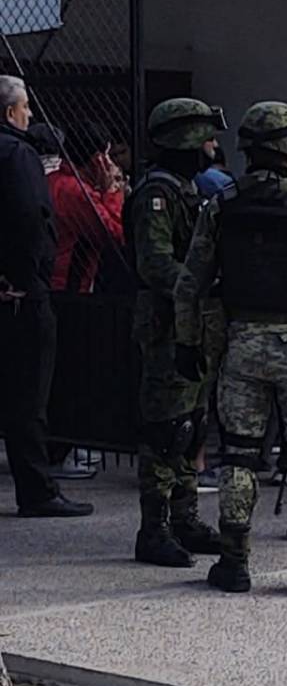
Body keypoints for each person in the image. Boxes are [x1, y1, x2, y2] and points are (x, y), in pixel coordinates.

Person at [174, 101, 287, 596]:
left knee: (237, 456)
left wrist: (188, 341)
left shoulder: (220, 205)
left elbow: (190, 282)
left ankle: (234, 563)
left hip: (239, 347)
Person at [124, 98, 228, 567]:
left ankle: (185, 518)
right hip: (167, 326)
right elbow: (155, 263)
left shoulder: (186, 188)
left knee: (192, 425)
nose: (211, 146)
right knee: (166, 429)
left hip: (191, 324)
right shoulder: (157, 194)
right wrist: (199, 283)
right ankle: (155, 528)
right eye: (203, 137)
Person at [0, 74, 92, 518]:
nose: (30, 114)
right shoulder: (18, 155)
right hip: (19, 295)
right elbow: (33, 220)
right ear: (9, 113)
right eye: (26, 108)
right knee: (28, 395)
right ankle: (37, 490)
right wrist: (32, 276)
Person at [47, 120, 125, 293]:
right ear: (99, 159)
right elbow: (115, 234)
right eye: (108, 156)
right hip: (68, 287)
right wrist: (112, 192)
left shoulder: (54, 180)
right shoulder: (77, 192)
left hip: (51, 279)